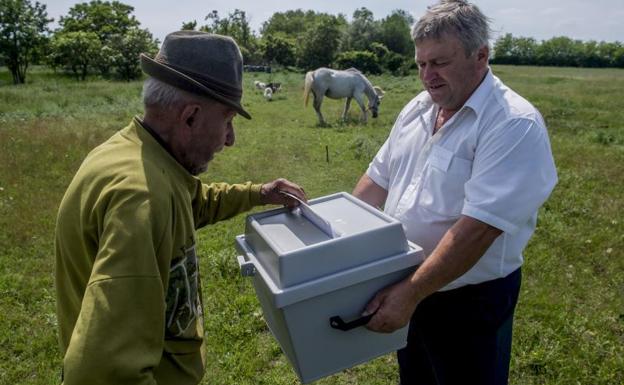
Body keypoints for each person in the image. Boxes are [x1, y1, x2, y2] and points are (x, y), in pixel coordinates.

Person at [55, 31, 306, 385]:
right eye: (228, 121)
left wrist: (259, 193)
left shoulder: (139, 157)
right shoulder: (141, 199)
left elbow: (192, 202)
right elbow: (102, 373)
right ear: (190, 117)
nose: (230, 140)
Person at [353, 1, 558, 384]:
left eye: (440, 63)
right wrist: (343, 248)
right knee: (416, 377)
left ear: (480, 55)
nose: (427, 76)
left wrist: (410, 294)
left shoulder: (513, 124)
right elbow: (377, 178)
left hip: (469, 300)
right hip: (407, 283)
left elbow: (478, 229)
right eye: (420, 64)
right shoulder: (418, 108)